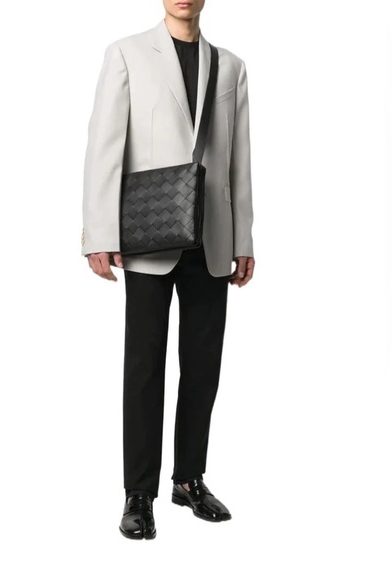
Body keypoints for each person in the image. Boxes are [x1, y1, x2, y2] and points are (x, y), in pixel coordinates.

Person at [80, 0, 255, 540]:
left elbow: (239, 158)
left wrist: (243, 238)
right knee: (144, 369)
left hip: (212, 236)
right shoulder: (127, 54)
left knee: (203, 367)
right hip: (149, 232)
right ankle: (138, 493)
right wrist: (100, 234)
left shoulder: (231, 66)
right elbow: (105, 146)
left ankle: (189, 480)